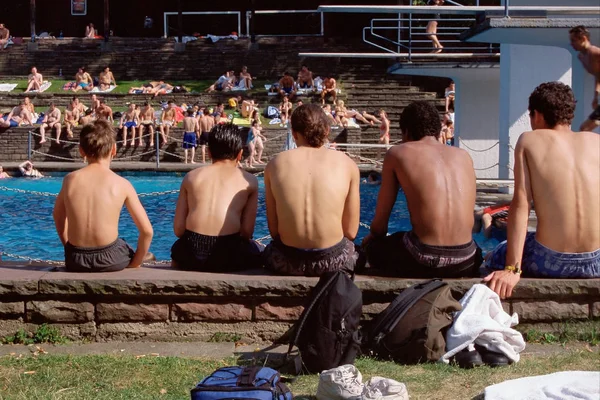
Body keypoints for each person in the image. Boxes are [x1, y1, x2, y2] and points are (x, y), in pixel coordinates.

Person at [483, 82, 600, 298]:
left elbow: (521, 205)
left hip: (552, 261)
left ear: (537, 114)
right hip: (596, 263)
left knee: (495, 254)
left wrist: (512, 269)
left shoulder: (529, 140)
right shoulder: (596, 141)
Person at [362, 100, 482, 278]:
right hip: (468, 259)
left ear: (406, 132)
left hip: (425, 259)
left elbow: (379, 227)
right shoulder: (463, 156)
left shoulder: (397, 153)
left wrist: (371, 241)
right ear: (437, 130)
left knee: (373, 247)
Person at [263, 104, 362, 276]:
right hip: (333, 262)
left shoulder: (274, 165)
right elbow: (351, 232)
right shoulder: (348, 164)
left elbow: (274, 231)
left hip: (287, 261)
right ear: (327, 131)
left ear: (294, 134)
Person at [53, 120, 154, 272]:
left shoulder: (70, 180)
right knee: (139, 251)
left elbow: (58, 217)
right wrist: (135, 263)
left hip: (76, 259)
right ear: (114, 149)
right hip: (110, 258)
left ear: (81, 151)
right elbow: (147, 231)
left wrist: (69, 246)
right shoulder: (122, 184)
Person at [171, 124, 262, 271]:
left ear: (208, 152)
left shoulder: (191, 177)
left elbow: (179, 229)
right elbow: (246, 232)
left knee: (178, 249)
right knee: (257, 250)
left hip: (191, 252)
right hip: (228, 252)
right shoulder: (249, 181)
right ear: (240, 154)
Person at [569, 26, 600, 132]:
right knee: (584, 129)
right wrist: (596, 95)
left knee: (585, 128)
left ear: (583, 38)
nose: (571, 44)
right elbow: (598, 75)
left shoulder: (595, 52)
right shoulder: (582, 57)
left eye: (573, 40)